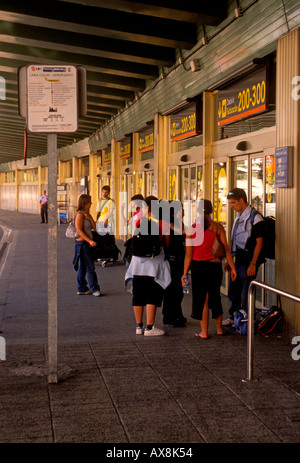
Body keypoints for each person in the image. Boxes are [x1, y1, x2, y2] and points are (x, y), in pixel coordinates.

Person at [181, 199, 237, 339]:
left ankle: (204, 332)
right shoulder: (218, 227)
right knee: (215, 296)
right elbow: (226, 250)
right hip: (214, 266)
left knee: (203, 299)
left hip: (198, 267)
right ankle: (219, 329)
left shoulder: (191, 229)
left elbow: (188, 254)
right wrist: (233, 267)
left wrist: (184, 273)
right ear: (211, 210)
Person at [125, 196, 171, 336]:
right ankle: (150, 327)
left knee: (138, 294)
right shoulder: (162, 222)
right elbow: (166, 243)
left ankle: (139, 327)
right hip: (154, 263)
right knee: (152, 293)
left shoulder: (138, 219)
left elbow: (133, 238)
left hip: (138, 263)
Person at [222, 187, 264, 326]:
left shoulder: (255, 217)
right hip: (239, 259)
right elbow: (236, 239)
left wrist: (253, 263)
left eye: (233, 203)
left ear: (242, 200)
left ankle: (247, 320)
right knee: (234, 290)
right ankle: (234, 316)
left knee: (246, 292)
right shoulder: (239, 216)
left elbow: (259, 243)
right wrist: (231, 260)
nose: (232, 206)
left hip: (248, 260)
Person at [162, 200, 187, 327]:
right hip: (173, 261)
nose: (183, 210)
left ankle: (173, 315)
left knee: (175, 289)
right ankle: (172, 316)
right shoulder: (170, 224)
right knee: (174, 289)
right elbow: (167, 243)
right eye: (181, 208)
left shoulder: (178, 223)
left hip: (178, 260)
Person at [72, 194, 101, 297]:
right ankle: (94, 289)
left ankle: (82, 288)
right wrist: (89, 241)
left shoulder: (87, 214)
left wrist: (89, 217)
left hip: (86, 243)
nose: (91, 203)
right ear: (85, 203)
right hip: (82, 244)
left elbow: (95, 228)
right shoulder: (79, 215)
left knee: (83, 267)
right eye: (90, 201)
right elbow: (79, 230)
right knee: (90, 267)